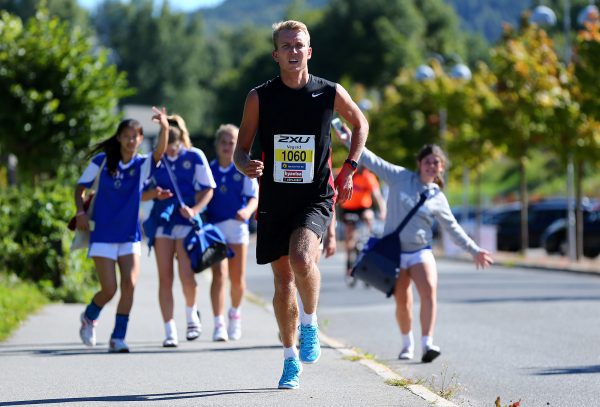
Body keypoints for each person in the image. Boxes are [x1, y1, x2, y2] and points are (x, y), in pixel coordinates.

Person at [233, 20, 368, 390]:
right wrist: (245, 164)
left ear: (310, 51)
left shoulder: (329, 92)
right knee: (282, 281)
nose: (294, 51)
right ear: (276, 54)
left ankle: (310, 324)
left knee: (302, 259)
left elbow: (360, 123)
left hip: (315, 195)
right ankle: (290, 359)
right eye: (287, 46)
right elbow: (240, 150)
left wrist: (350, 168)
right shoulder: (259, 97)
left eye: (300, 45)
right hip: (275, 198)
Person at [333, 124, 493, 363]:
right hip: (394, 254)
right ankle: (407, 342)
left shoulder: (437, 197)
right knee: (403, 301)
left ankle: (428, 342)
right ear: (419, 163)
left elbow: (453, 228)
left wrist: (474, 250)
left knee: (429, 291)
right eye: (428, 161)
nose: (431, 166)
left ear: (441, 168)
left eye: (436, 163)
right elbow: (372, 160)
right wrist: (349, 139)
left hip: (420, 251)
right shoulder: (399, 177)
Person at [76, 107, 169, 353]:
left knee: (129, 284)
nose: (131, 140)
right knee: (109, 289)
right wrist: (80, 212)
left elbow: (159, 153)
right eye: (126, 135)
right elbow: (80, 188)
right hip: (103, 235)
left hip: (129, 235)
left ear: (140, 139)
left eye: (135, 136)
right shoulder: (102, 161)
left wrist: (165, 128)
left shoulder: (142, 165)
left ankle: (118, 337)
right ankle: (89, 316)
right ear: (119, 138)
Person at [141, 114, 216, 348]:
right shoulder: (153, 160)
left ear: (181, 142)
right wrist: (155, 194)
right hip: (162, 221)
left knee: (186, 274)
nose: (170, 154)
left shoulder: (194, 156)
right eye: (167, 149)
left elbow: (208, 189)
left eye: (174, 149)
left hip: (185, 221)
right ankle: (169, 328)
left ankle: (192, 314)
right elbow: (139, 193)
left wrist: (194, 210)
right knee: (165, 276)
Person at [206, 124, 259, 342]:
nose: (228, 147)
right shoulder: (209, 168)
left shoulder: (244, 168)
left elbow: (254, 197)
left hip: (237, 228)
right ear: (217, 145)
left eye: (232, 142)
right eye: (224, 142)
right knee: (219, 275)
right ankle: (218, 323)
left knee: (237, 279)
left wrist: (246, 211)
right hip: (215, 228)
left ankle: (234, 315)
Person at [339, 165, 386, 281]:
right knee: (349, 237)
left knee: (369, 216)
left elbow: (377, 195)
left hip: (363, 207)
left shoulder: (368, 177)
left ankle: (368, 237)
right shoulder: (347, 172)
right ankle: (349, 262)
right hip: (348, 208)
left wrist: (383, 210)